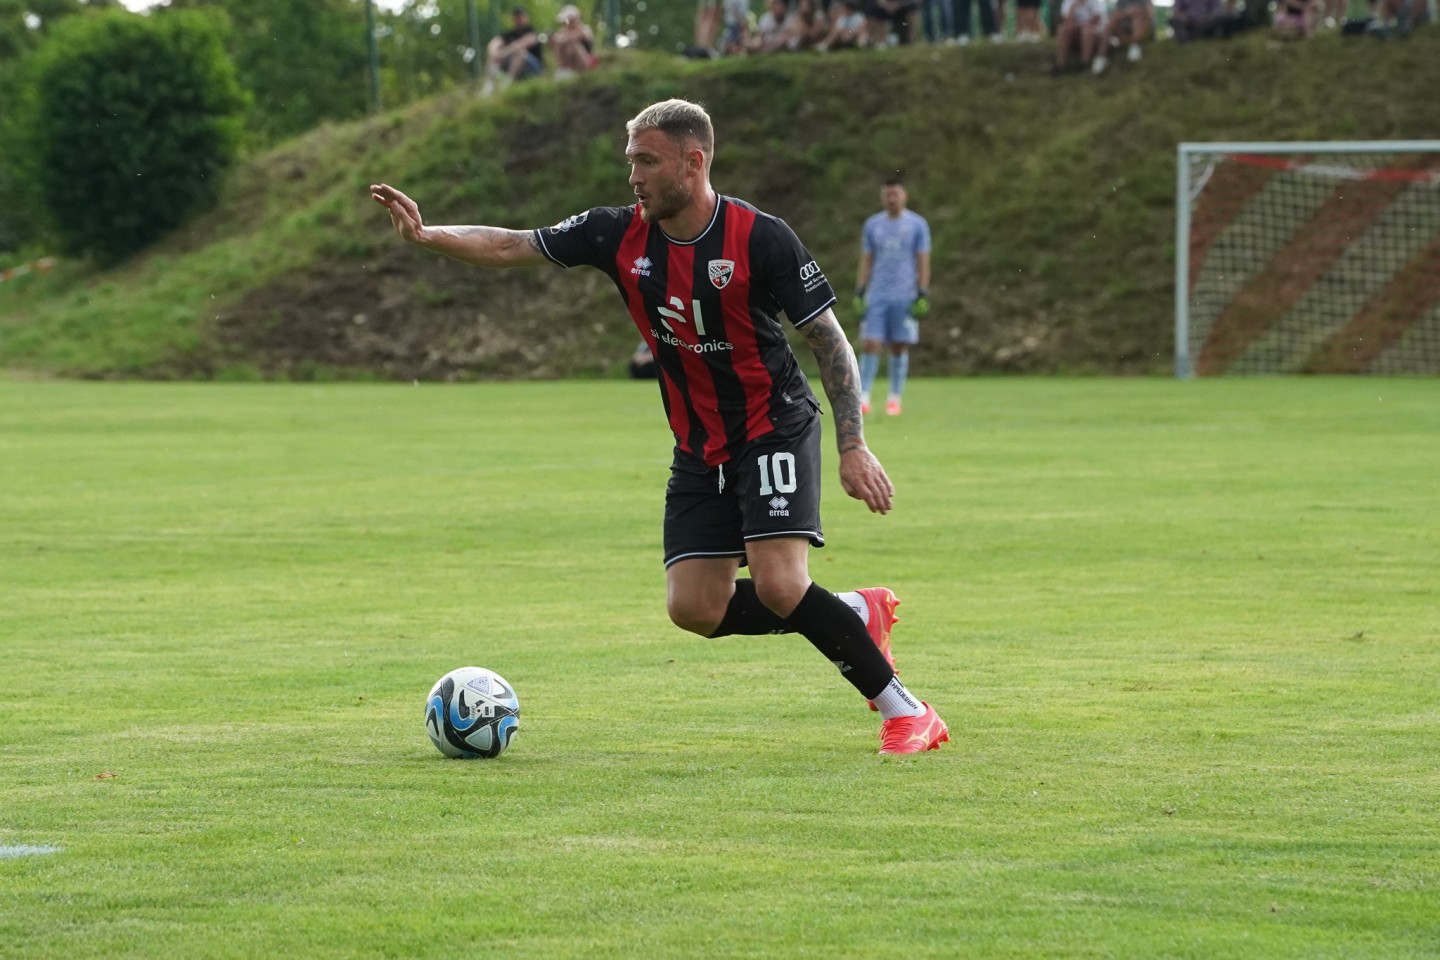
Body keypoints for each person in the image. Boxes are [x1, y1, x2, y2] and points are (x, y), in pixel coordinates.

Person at [370, 99, 948, 755]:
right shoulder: (614, 233)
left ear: (692, 161)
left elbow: (830, 343)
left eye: (646, 161)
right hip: (701, 447)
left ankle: (907, 710)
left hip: (773, 427)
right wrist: (426, 235)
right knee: (694, 609)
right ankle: (850, 612)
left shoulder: (761, 237)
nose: (633, 177)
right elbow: (512, 244)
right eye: (630, 162)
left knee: (782, 583)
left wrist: (853, 445)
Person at [853, 176, 931, 417]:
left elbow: (922, 259)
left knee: (898, 346)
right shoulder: (873, 225)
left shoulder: (917, 225)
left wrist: (922, 291)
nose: (891, 199)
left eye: (895, 194)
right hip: (877, 293)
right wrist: (860, 289)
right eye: (887, 194)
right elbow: (867, 259)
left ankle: (894, 398)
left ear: (904, 195)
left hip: (905, 294)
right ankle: (864, 395)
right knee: (870, 343)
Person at [482, 7, 544, 95]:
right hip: (511, 63)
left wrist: (503, 53)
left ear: (526, 17)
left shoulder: (532, 31)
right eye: (516, 17)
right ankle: (489, 85)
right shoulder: (509, 34)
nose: (519, 20)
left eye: (520, 17)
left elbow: (522, 43)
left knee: (519, 52)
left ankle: (507, 85)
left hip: (533, 67)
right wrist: (495, 53)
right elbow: (494, 43)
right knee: (495, 55)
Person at [1092, 0, 1151, 72]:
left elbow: (1150, 16)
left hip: (1141, 28)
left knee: (1136, 16)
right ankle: (1101, 57)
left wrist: (1138, 12)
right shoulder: (1121, 2)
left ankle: (1135, 45)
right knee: (1111, 23)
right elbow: (1115, 15)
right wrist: (1127, 12)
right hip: (1124, 30)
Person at [1052, 0, 1105, 72]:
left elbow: (1096, 20)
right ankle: (1060, 65)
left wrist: (1082, 26)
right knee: (1063, 30)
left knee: (1087, 31)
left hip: (1093, 34)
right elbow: (1067, 21)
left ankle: (1084, 64)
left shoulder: (1095, 2)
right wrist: (1073, 7)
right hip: (1077, 32)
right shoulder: (1068, 2)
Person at [550, 5, 597, 78]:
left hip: (585, 61)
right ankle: (564, 68)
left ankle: (575, 70)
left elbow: (580, 36)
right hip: (567, 63)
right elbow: (557, 41)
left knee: (572, 45)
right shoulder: (563, 32)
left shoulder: (584, 29)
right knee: (560, 46)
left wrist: (563, 40)